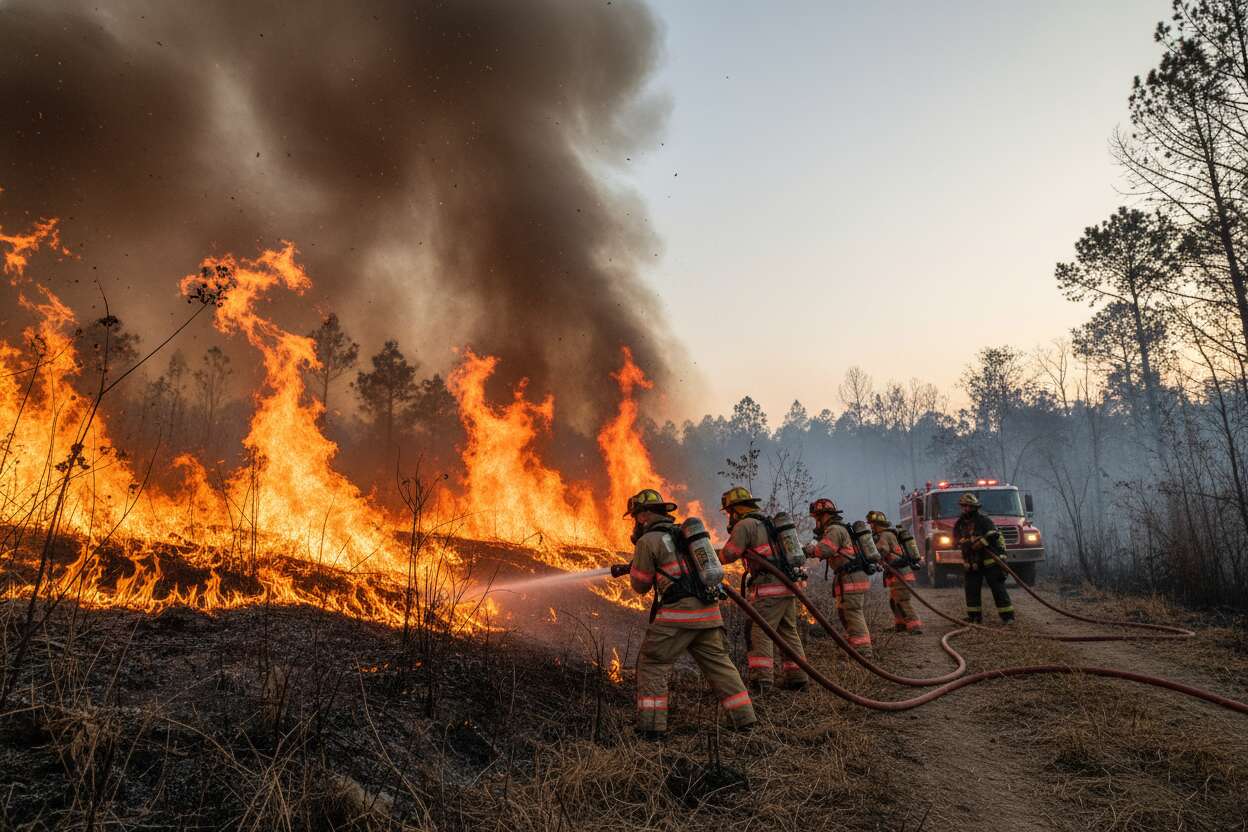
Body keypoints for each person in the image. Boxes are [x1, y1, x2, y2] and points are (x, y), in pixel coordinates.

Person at [621, 488, 757, 738]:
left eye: (635, 517)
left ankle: (651, 728)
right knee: (720, 666)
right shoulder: (683, 536)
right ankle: (745, 720)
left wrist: (638, 568)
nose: (635, 522)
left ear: (643, 515)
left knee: (652, 663)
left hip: (678, 617)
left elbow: (640, 585)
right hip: (709, 614)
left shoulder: (647, 541)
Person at [718, 486, 809, 693]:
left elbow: (729, 554)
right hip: (787, 586)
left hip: (769, 589)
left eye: (729, 512)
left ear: (735, 510)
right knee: (788, 632)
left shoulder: (745, 525)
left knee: (759, 631)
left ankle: (762, 682)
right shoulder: (767, 523)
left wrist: (710, 560)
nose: (729, 517)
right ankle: (798, 679)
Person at [804, 498, 873, 656]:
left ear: (824, 516)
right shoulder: (837, 529)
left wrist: (807, 550)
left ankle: (863, 650)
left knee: (852, 612)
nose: (816, 523)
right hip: (849, 576)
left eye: (817, 518)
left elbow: (824, 550)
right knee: (846, 612)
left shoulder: (834, 529)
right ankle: (854, 645)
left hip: (851, 577)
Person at [952, 492, 1015, 624]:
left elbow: (994, 535)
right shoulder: (960, 524)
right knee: (971, 589)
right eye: (964, 506)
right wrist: (965, 543)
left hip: (990, 560)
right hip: (972, 561)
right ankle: (974, 617)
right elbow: (955, 540)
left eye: (969, 506)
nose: (966, 509)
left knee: (997, 588)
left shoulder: (983, 521)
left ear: (975, 507)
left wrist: (981, 543)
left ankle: (1007, 617)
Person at [867, 510, 923, 634]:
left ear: (876, 524)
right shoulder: (889, 534)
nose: (870, 526)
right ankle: (901, 625)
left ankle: (914, 626)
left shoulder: (884, 535)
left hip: (900, 574)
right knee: (894, 601)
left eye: (871, 523)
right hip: (897, 573)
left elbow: (882, 549)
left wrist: (870, 553)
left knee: (902, 601)